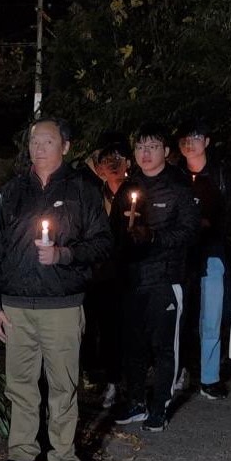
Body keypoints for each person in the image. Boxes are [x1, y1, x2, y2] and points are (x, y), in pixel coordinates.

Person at [0, 117, 112, 461]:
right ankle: (23, 454)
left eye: (48, 141)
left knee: (62, 386)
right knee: (20, 384)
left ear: (65, 146)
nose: (39, 147)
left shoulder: (83, 189)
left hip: (62, 306)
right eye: (34, 141)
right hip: (16, 306)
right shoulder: (12, 191)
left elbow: (103, 243)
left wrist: (64, 255)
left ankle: (63, 460)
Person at [109, 125, 199, 431]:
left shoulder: (178, 186)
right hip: (132, 278)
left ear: (166, 151)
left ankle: (160, 404)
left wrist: (154, 237)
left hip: (165, 276)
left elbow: (189, 231)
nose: (145, 153)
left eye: (152, 147)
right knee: (133, 344)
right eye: (140, 147)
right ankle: (136, 400)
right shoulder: (128, 187)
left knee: (164, 345)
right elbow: (114, 230)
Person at [178, 121, 231, 399]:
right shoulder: (176, 175)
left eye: (195, 137)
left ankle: (209, 376)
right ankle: (178, 370)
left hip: (213, 252)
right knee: (180, 316)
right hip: (181, 256)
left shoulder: (221, 175)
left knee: (211, 316)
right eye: (185, 138)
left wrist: (214, 229)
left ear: (206, 141)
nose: (189, 143)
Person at [83, 134, 131, 404]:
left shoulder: (134, 193)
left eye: (117, 159)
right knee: (92, 325)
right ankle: (94, 373)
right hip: (95, 273)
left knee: (117, 329)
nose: (111, 165)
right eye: (105, 160)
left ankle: (116, 380)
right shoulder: (91, 193)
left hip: (122, 274)